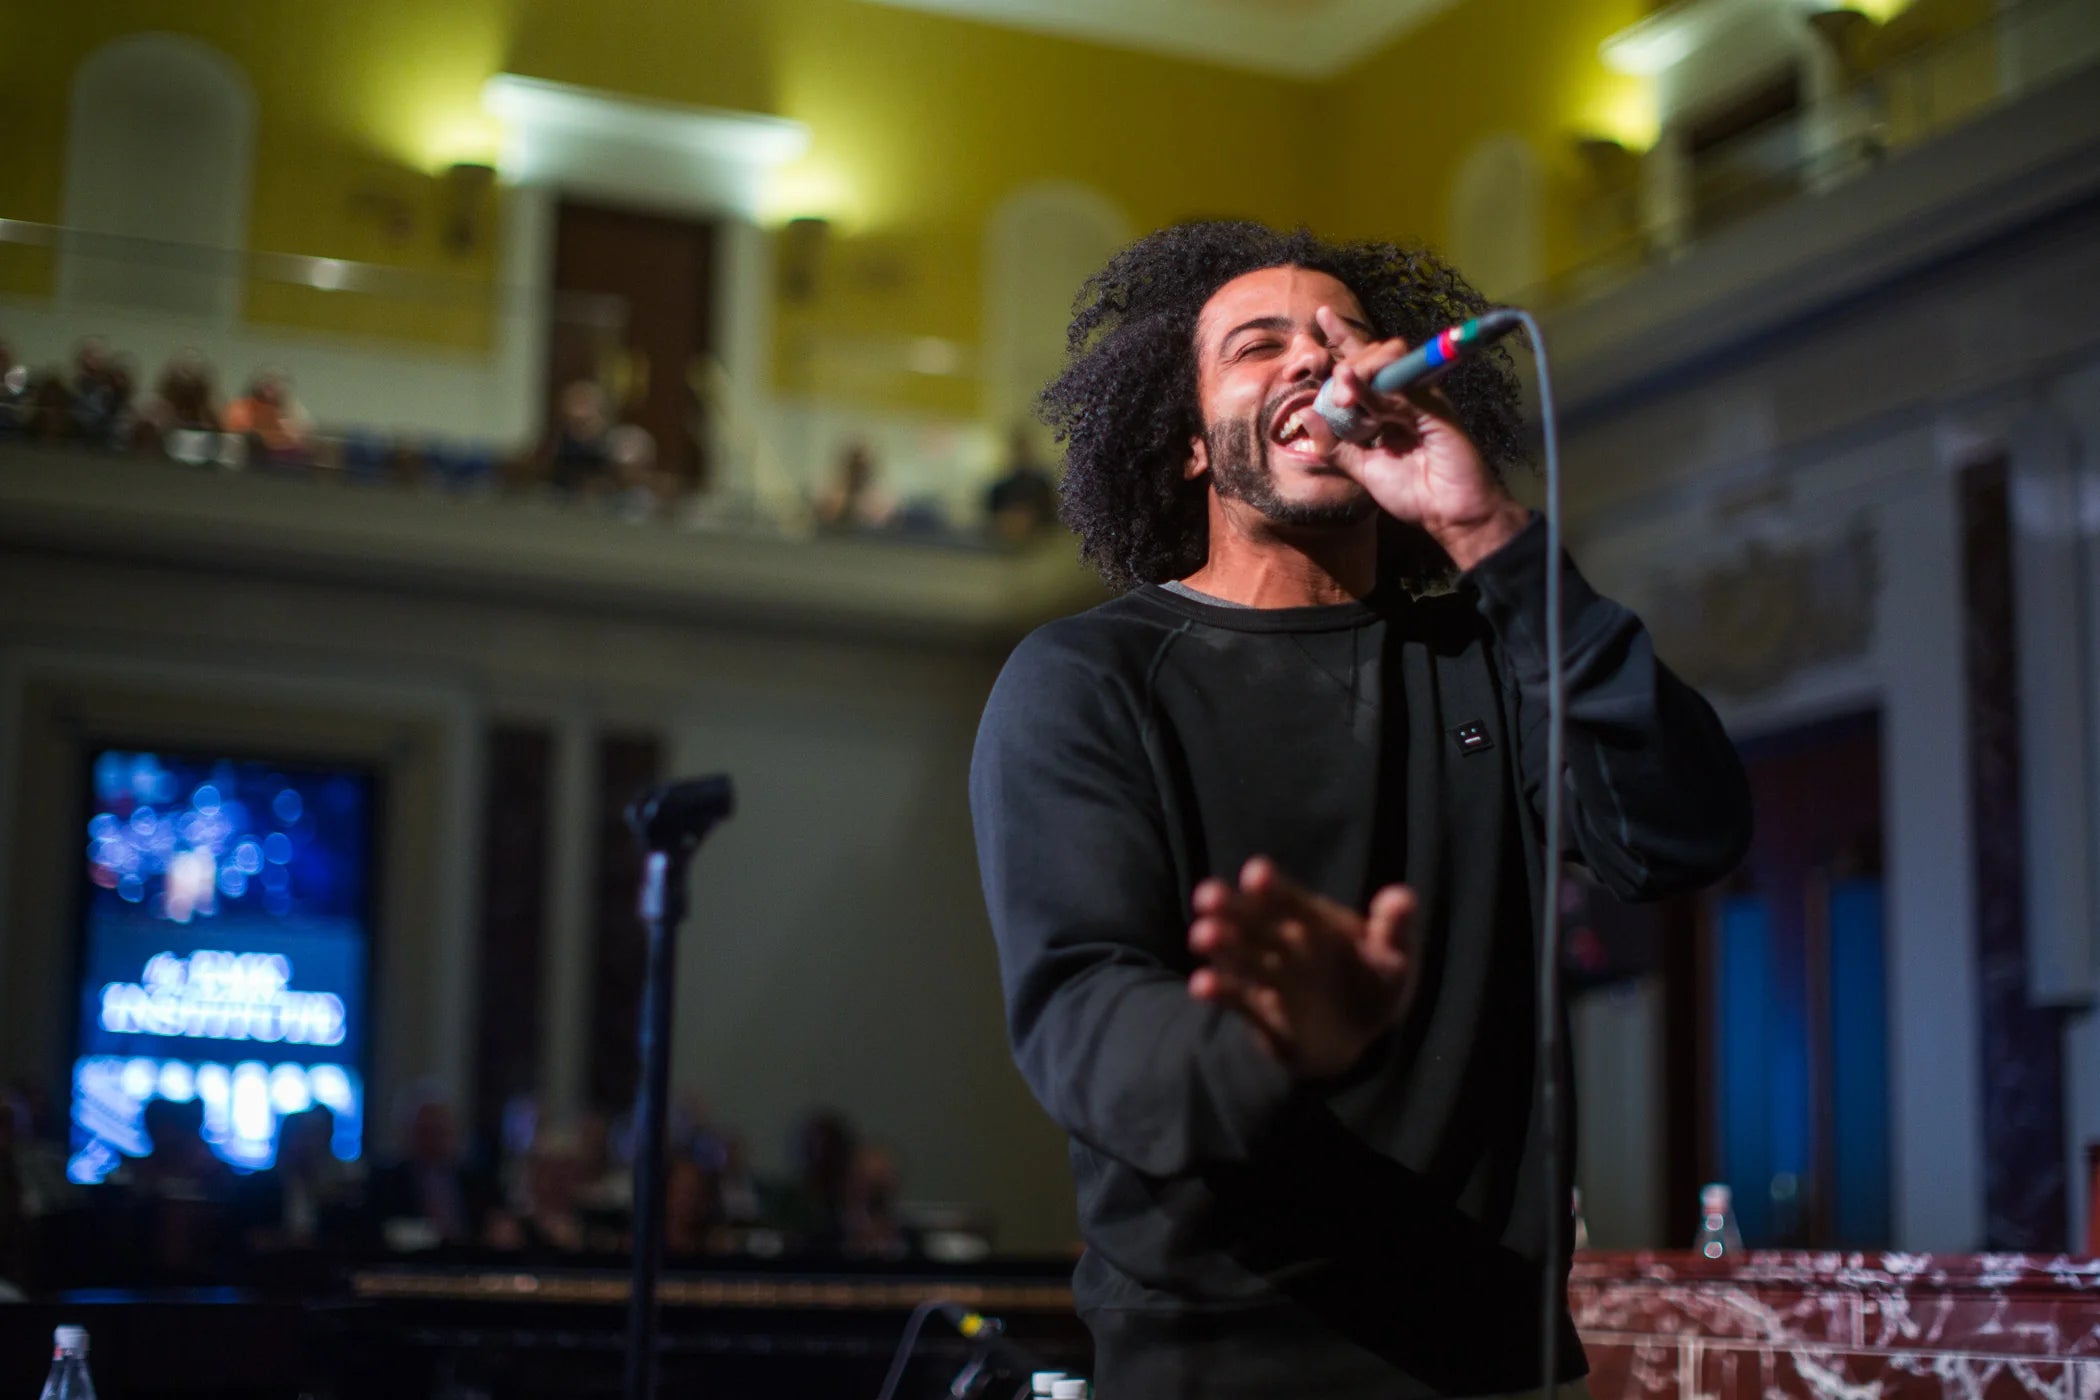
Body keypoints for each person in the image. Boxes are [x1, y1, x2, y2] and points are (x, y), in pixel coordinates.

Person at [969, 222, 1751, 1399]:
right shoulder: (1089, 677)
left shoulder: (1487, 653)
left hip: (1490, 1366)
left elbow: (1684, 829)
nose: (1313, 363)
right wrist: (1271, 1043)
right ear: (1187, 443)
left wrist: (1488, 536)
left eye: (1341, 338)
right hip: (1216, 1372)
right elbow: (1083, 1019)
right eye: (1259, 344)